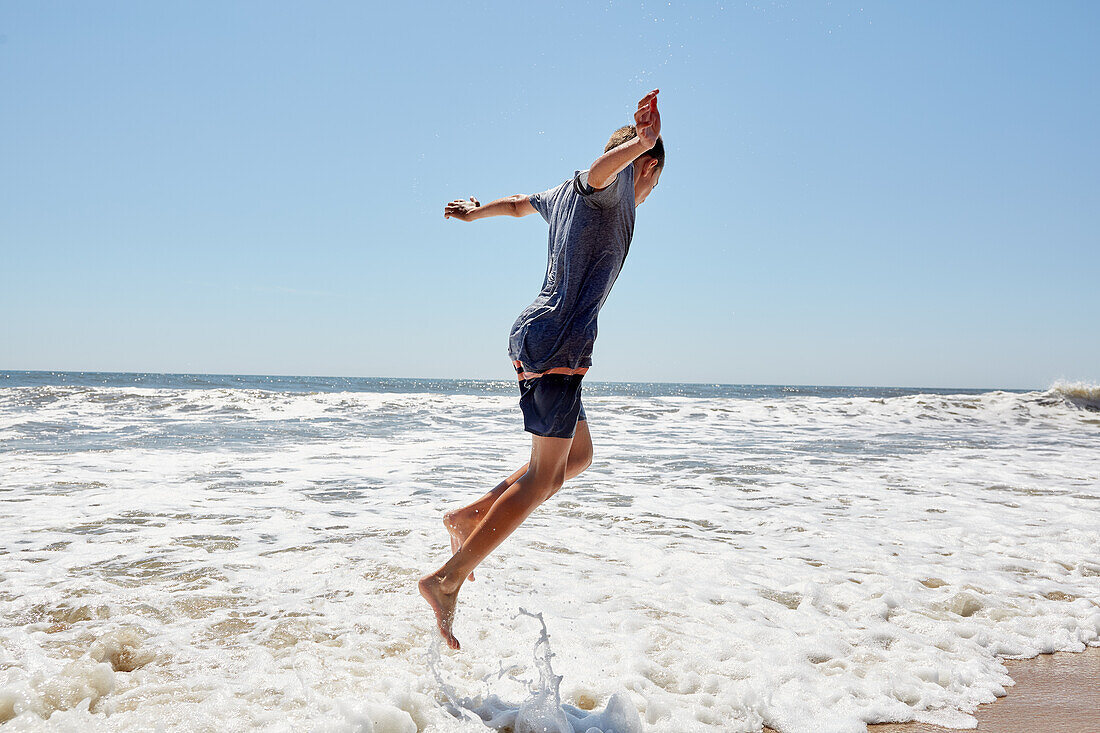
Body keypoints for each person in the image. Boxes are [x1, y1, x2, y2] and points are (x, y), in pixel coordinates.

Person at [419, 90, 665, 650]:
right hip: (555, 340)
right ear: (645, 166)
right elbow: (597, 174)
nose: (650, 194)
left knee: (576, 458)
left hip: (552, 342)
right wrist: (642, 142)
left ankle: (467, 516)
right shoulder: (605, 189)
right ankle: (445, 579)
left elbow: (516, 203)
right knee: (543, 476)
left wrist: (473, 211)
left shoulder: (559, 195)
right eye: (653, 180)